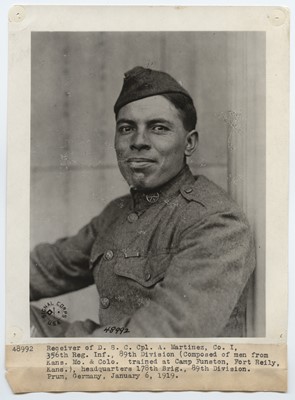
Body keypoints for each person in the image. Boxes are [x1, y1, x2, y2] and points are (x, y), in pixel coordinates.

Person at [30, 66, 255, 337]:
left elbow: (167, 335)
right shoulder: (116, 213)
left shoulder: (216, 222)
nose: (138, 142)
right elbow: (45, 268)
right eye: (126, 128)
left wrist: (55, 339)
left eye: (158, 128)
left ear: (189, 144)